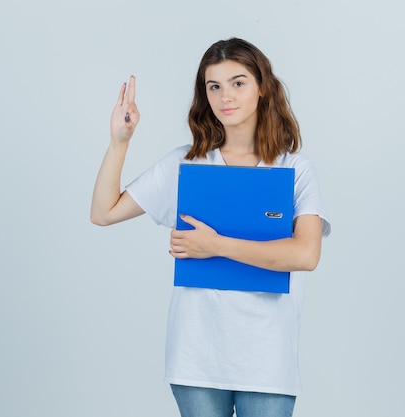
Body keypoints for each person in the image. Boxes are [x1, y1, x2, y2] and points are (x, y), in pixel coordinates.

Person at [91, 37, 331, 417]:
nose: (225, 97)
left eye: (238, 83)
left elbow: (305, 254)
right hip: (196, 358)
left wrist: (215, 245)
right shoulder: (186, 165)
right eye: (214, 86)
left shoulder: (294, 169)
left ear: (262, 88)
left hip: (267, 360)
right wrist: (120, 141)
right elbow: (104, 212)